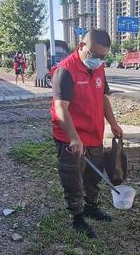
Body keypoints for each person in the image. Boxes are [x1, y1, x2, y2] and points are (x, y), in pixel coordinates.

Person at [50, 28, 123, 239]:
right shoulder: (65, 71)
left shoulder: (99, 68)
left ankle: (91, 206)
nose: (99, 60)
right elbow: (61, 108)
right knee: (73, 178)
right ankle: (77, 216)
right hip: (70, 137)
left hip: (94, 135)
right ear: (82, 47)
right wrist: (73, 137)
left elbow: (103, 98)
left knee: (93, 176)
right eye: (95, 55)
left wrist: (113, 123)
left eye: (103, 57)